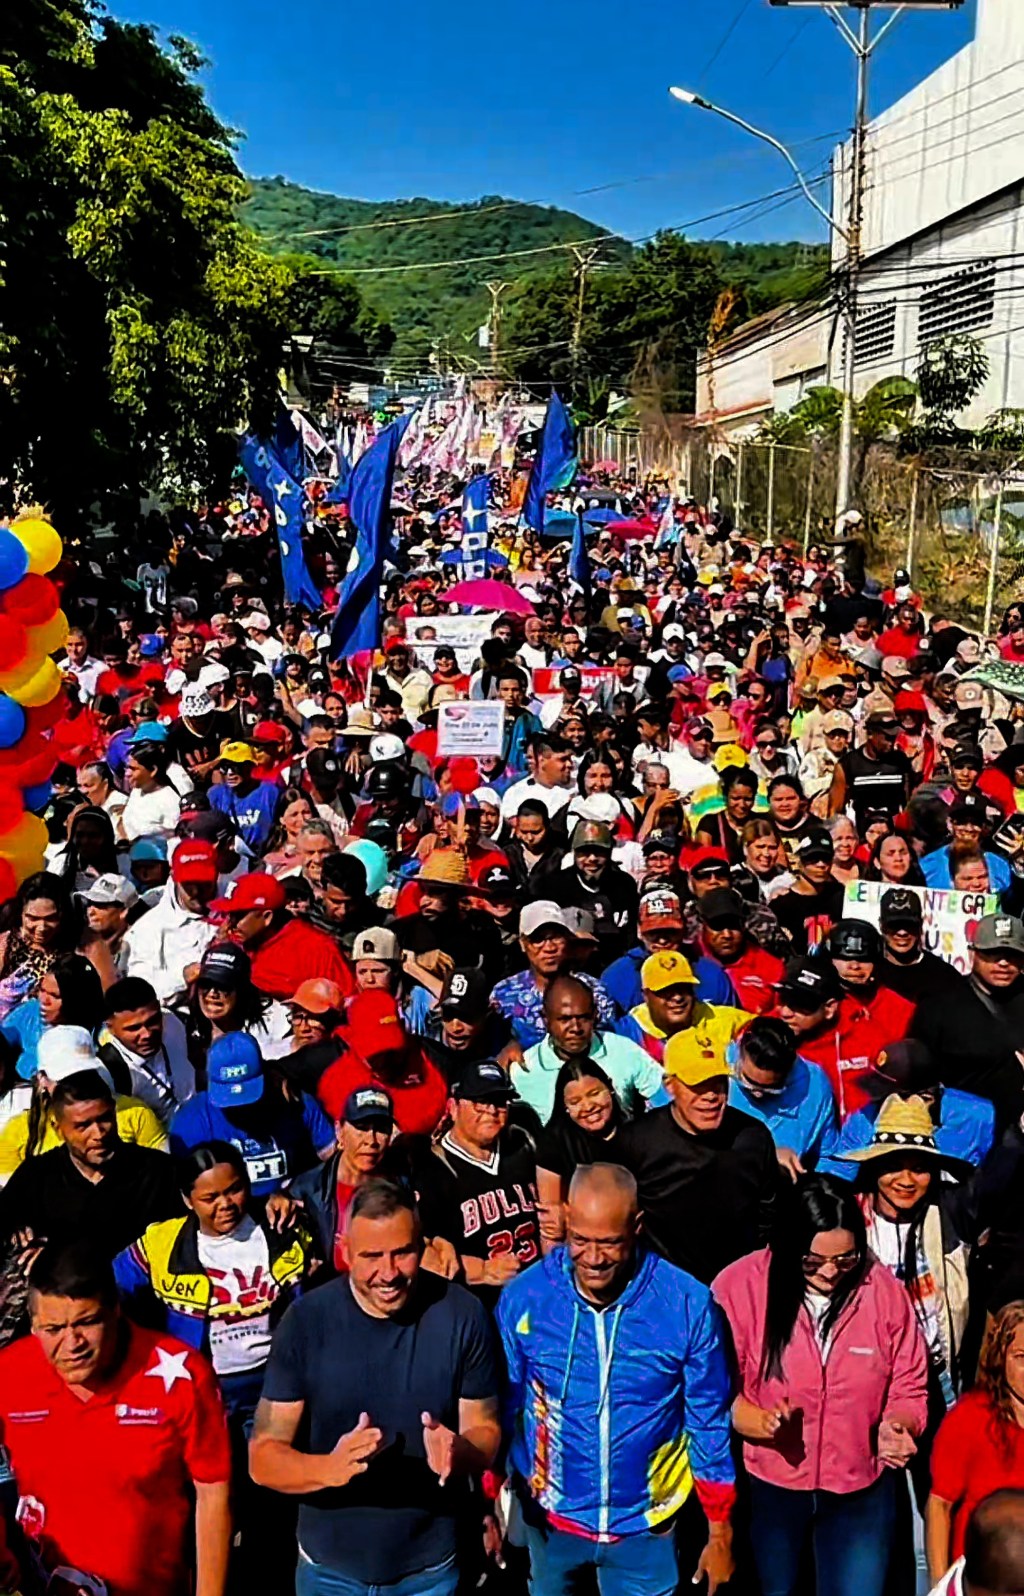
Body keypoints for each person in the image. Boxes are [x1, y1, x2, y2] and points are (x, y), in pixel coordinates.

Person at [249, 1179, 501, 1596]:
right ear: (345, 1251)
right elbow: (263, 1458)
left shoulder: (463, 1314)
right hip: (329, 1573)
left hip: (430, 1572)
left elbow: (486, 1429)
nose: (388, 1273)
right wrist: (329, 1469)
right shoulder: (306, 1322)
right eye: (371, 1257)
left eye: (403, 1253)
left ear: (422, 1245)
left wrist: (461, 1451)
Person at [498, 1163, 737, 1595]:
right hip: (550, 1522)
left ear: (637, 1227)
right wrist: (488, 1498)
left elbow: (708, 1420)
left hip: (647, 1527)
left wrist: (720, 1530)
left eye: (610, 1243)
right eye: (580, 1240)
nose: (594, 1258)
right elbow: (503, 1407)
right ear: (566, 1219)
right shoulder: (524, 1297)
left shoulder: (687, 1303)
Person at [712, 1174, 928, 1596]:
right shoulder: (740, 1287)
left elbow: (909, 1382)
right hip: (770, 1486)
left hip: (858, 1486)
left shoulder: (882, 1291)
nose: (830, 1272)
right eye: (813, 1261)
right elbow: (709, 1388)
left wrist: (900, 1423)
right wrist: (755, 1420)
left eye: (846, 1260)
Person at [0, 1240, 232, 1596]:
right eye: (53, 1329)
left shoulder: (181, 1375)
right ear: (33, 1324)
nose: (72, 1343)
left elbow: (214, 1493)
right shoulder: (10, 1373)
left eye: (87, 1322)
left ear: (115, 1310)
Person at [617, 1025, 777, 1284]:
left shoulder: (754, 1138)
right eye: (698, 1085)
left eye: (718, 1083)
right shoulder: (635, 1141)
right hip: (664, 1288)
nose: (711, 1095)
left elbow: (768, 1215)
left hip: (736, 1286)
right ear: (670, 1086)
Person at [0, 1068, 181, 1256]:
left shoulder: (158, 1172)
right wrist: (16, 1236)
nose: (99, 1134)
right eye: (83, 1126)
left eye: (105, 1119)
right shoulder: (36, 1178)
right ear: (58, 1129)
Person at [411, 1060, 540, 1299]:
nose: (491, 1111)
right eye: (480, 1102)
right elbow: (423, 1253)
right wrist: (482, 1270)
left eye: (499, 1102)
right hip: (479, 1300)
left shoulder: (523, 1144)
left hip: (539, 1289)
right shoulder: (431, 1169)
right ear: (453, 1108)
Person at [927, 1305, 1024, 1583]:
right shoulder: (970, 1418)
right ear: (1000, 1357)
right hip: (982, 1579)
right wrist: (941, 1586)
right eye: (1021, 1357)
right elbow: (940, 1506)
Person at [170, 1033, 333, 1196]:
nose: (240, 1107)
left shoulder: (297, 1103)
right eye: (229, 1100)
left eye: (247, 1097)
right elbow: (186, 1193)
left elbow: (334, 1160)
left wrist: (298, 1192)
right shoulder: (190, 1122)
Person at [819, 1040, 996, 1178]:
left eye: (890, 1095)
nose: (880, 1102)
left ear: (927, 1096)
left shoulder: (979, 1116)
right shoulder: (865, 1117)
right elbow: (839, 1175)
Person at [910, 913, 1024, 1128]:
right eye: (992, 953)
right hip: (962, 1131)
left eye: (1013, 955)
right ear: (972, 953)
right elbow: (919, 1078)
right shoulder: (939, 1005)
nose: (1003, 963)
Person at [515, 972, 666, 1121]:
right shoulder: (524, 1069)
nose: (575, 1028)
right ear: (546, 1019)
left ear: (595, 1015)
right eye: (564, 1019)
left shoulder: (622, 1049)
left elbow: (666, 1098)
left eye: (583, 1018)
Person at [317, 989, 449, 1138]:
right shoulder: (335, 1083)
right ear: (354, 1041)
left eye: (392, 1052)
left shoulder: (434, 1058)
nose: (384, 1061)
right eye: (375, 1055)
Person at [208, 872, 355, 1002]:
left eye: (238, 916)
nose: (229, 923)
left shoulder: (317, 949)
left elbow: (347, 1002)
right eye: (228, 915)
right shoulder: (230, 940)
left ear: (267, 917)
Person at [492, 900, 616, 1048]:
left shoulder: (596, 992)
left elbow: (607, 1045)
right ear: (523, 944)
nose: (549, 948)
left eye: (557, 937)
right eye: (538, 939)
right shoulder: (504, 994)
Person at [729, 1014, 838, 1175]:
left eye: (771, 1089)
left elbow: (828, 1157)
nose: (758, 1094)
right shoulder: (714, 1070)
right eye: (748, 1083)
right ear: (740, 1050)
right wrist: (765, 1155)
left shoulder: (815, 1085)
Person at [534, 1058, 627, 1245]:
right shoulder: (554, 1141)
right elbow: (551, 1225)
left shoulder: (637, 1132)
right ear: (565, 1107)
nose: (588, 1107)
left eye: (594, 1094)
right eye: (575, 1102)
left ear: (610, 1087)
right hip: (579, 1245)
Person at [122, 837, 221, 1007]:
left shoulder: (236, 913)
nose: (196, 891)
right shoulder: (147, 929)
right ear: (174, 876)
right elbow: (140, 991)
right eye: (189, 884)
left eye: (204, 883)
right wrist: (183, 978)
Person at [98, 974, 196, 1123]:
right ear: (110, 1027)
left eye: (153, 1021)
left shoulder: (172, 1021)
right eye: (134, 1028)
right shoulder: (109, 1071)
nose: (147, 1034)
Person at [545, 819, 639, 965]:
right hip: (571, 964)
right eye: (584, 853)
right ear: (574, 854)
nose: (592, 859)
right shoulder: (556, 886)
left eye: (599, 852)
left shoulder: (624, 884)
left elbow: (631, 933)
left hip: (616, 960)